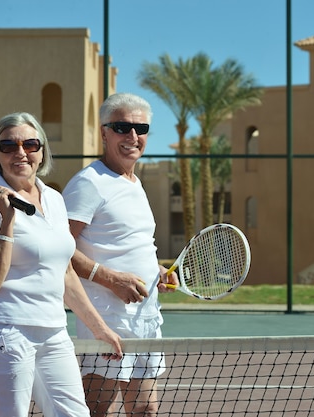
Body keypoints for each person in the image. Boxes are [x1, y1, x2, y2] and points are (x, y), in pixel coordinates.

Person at [0, 112, 123, 417]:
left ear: (41, 151)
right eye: (8, 146)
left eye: (30, 144)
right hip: (4, 330)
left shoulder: (54, 199)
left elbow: (65, 273)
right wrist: (7, 219)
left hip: (52, 330)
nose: (20, 152)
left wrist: (100, 328)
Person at [62, 93, 179, 417]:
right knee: (95, 410)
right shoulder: (89, 183)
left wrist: (158, 271)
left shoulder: (134, 182)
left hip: (145, 319)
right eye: (121, 126)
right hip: (107, 321)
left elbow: (126, 243)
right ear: (103, 132)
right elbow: (57, 249)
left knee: (145, 410)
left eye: (140, 127)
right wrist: (110, 278)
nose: (132, 136)